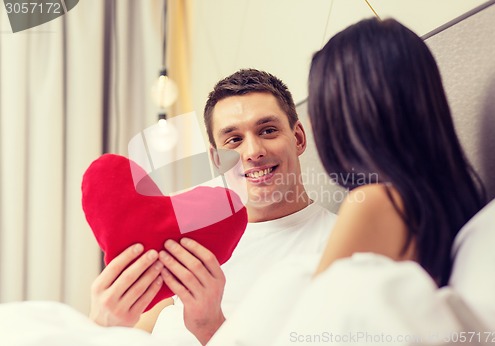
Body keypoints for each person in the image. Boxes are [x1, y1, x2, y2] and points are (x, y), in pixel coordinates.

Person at [89, 69, 337, 344]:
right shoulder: (192, 235)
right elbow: (136, 329)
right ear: (217, 159)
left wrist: (210, 328)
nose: (253, 151)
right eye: (234, 139)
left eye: (268, 131)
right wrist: (101, 325)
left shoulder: (340, 244)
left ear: (299, 138)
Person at [306, 18, 486, 285]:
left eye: (317, 107)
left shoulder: (373, 203)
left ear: (343, 116)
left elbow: (313, 323)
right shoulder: (456, 195)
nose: (312, 122)